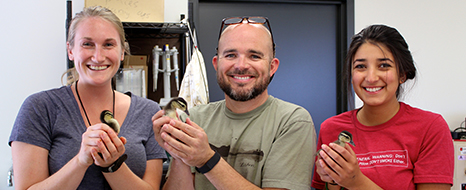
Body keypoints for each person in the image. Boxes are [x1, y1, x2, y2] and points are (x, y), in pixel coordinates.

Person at [9, 6, 166, 190]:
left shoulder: (148, 112)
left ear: (122, 52)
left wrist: (112, 165)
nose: (98, 57)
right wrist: (81, 160)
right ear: (70, 50)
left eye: (108, 44)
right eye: (87, 44)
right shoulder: (40, 108)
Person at [152, 16, 316, 190]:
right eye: (231, 55)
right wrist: (178, 150)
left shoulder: (292, 121)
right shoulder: (195, 118)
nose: (241, 65)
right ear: (216, 64)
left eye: (254, 56)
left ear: (272, 67)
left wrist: (206, 158)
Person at [312, 24, 454, 190]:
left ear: (402, 74)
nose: (371, 77)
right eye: (360, 66)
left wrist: (356, 182)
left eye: (384, 65)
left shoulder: (430, 128)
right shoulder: (331, 128)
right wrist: (333, 181)